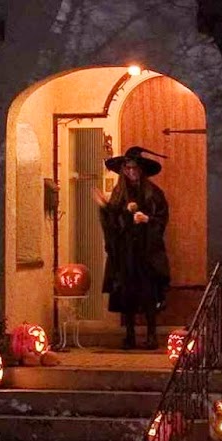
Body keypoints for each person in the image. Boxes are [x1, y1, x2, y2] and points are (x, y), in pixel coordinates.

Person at [95, 145, 170, 350]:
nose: (131, 172)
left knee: (149, 292)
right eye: (127, 168)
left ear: (141, 169)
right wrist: (105, 207)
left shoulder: (154, 193)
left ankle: (152, 335)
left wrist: (148, 219)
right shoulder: (119, 193)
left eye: (135, 168)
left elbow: (162, 219)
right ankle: (129, 336)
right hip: (125, 251)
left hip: (147, 251)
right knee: (126, 292)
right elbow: (112, 220)